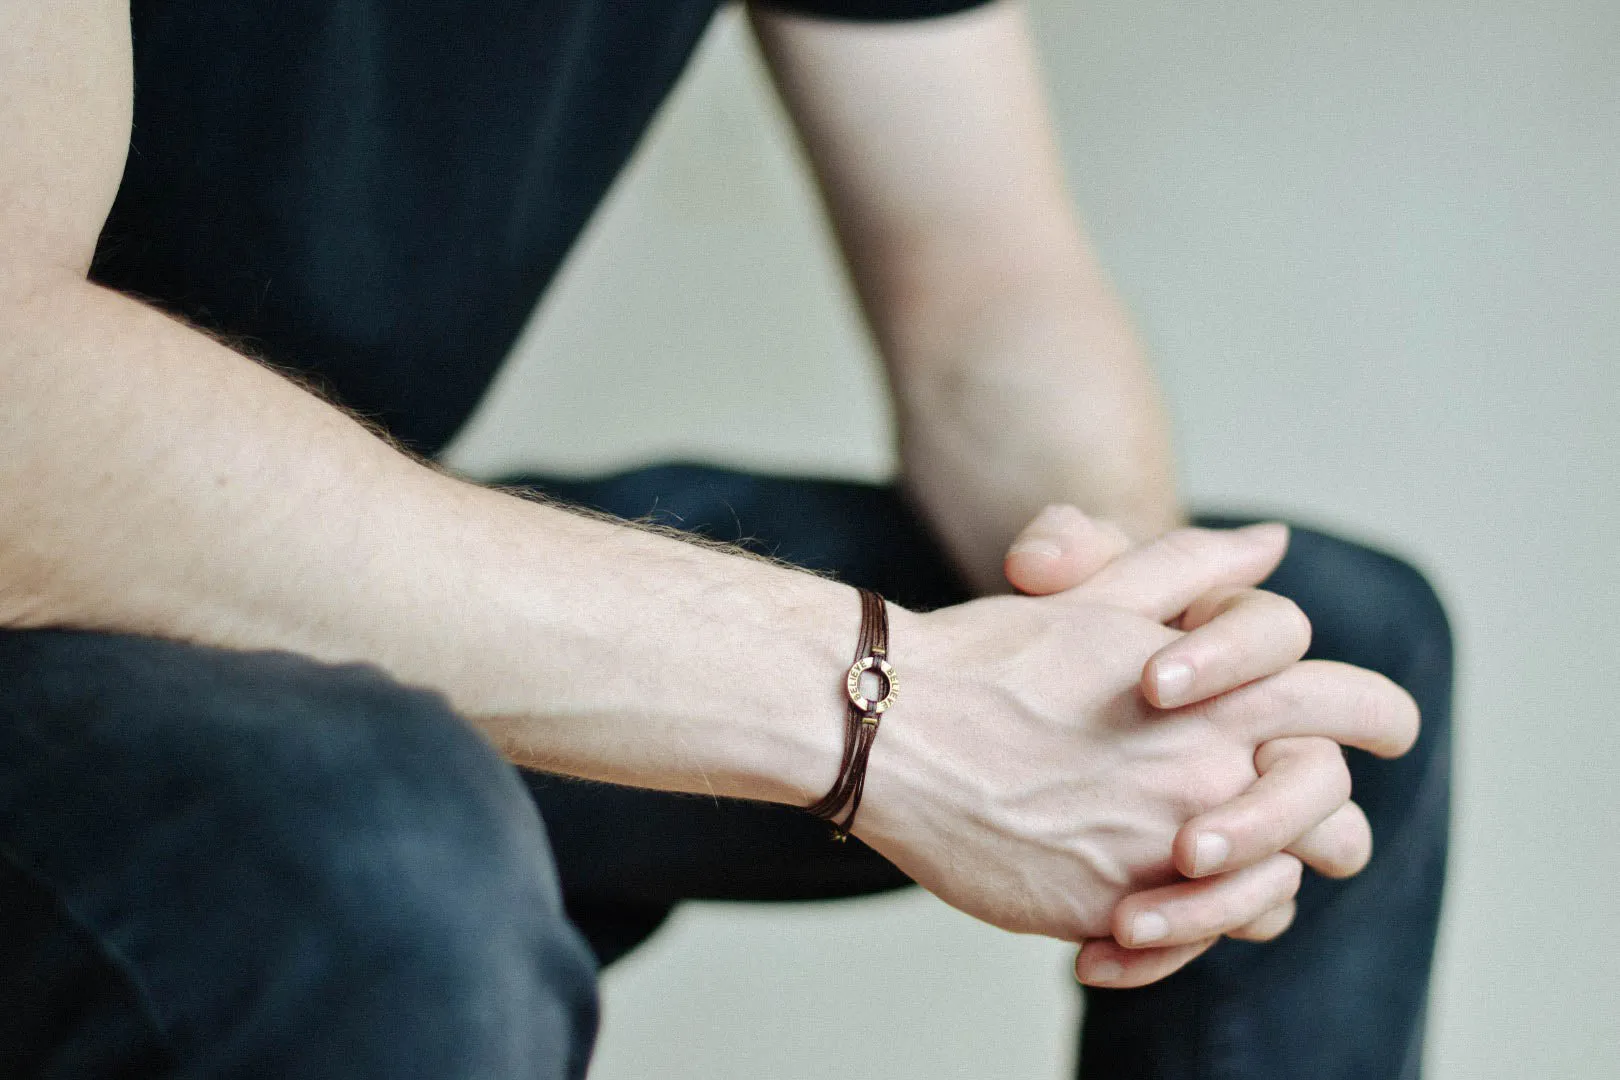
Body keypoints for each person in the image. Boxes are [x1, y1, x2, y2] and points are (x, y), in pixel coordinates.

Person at [0, 1, 1450, 1078]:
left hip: (316, 595)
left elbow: (984, 292)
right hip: (54, 611)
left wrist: (1146, 646)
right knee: (381, 845)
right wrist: (887, 710)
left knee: (1305, 696)